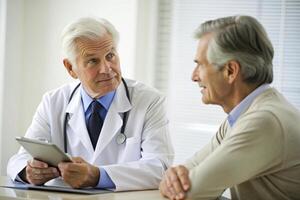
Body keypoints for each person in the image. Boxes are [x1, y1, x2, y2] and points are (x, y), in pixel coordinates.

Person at [7, 17, 174, 191]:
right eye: (93, 61)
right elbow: (19, 159)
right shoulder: (53, 102)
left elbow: (160, 167)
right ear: (70, 68)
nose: (107, 68)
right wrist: (29, 172)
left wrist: (97, 176)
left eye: (110, 56)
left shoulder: (149, 101)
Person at [159, 15, 300, 199]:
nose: (194, 76)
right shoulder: (243, 115)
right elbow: (184, 171)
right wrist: (171, 178)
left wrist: (173, 182)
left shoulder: (264, 121)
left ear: (230, 71)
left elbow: (190, 192)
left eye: (200, 65)